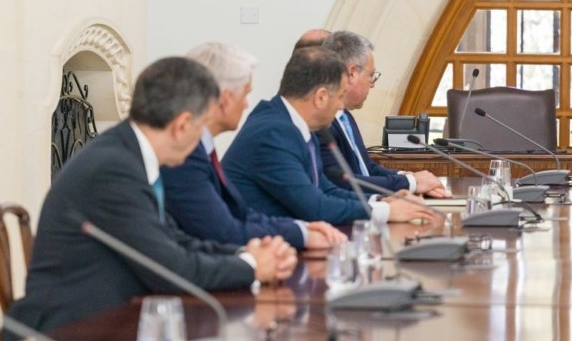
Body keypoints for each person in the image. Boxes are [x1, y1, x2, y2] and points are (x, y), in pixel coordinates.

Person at [4, 57, 297, 338]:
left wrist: (244, 254)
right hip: (67, 335)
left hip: (111, 323)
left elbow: (173, 240)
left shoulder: (127, 153)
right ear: (182, 125)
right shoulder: (113, 170)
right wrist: (252, 266)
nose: (201, 140)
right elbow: (171, 270)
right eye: (202, 128)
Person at [224, 47, 442, 226]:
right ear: (320, 97)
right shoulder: (274, 132)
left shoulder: (294, 124)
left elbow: (326, 189)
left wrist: (383, 199)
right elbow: (315, 206)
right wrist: (386, 211)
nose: (340, 107)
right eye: (339, 97)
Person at [160, 42, 346, 251]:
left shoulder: (200, 148)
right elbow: (222, 231)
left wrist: (301, 229)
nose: (247, 104)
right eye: (245, 94)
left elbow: (239, 214)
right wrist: (300, 235)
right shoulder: (184, 155)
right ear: (226, 99)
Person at [319, 30, 450, 198]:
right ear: (352, 73)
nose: (372, 84)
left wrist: (408, 177)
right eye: (371, 75)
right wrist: (411, 183)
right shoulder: (322, 123)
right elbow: (343, 183)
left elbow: (367, 168)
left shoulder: (345, 116)